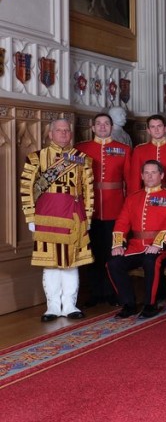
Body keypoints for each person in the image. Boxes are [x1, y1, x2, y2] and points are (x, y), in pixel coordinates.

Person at [20, 118, 95, 322]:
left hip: (73, 216)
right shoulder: (36, 158)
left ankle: (70, 304)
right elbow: (27, 189)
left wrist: (88, 216)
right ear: (50, 134)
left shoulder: (81, 159)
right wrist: (30, 215)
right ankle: (52, 306)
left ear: (71, 134)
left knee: (71, 263)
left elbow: (88, 190)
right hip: (46, 216)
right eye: (59, 130)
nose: (63, 134)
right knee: (51, 263)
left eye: (67, 130)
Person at [108, 160, 166, 319]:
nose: (149, 176)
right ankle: (128, 304)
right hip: (136, 246)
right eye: (146, 173)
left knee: (151, 261)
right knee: (113, 263)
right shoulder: (132, 198)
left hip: (161, 246)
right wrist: (118, 244)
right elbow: (122, 222)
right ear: (141, 176)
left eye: (153, 172)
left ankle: (150, 304)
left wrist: (157, 244)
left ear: (161, 175)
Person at [76, 112, 132, 306]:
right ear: (92, 128)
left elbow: (130, 183)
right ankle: (95, 292)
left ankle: (112, 292)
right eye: (98, 124)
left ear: (111, 127)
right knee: (93, 252)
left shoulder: (123, 149)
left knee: (112, 252)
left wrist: (128, 210)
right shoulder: (81, 149)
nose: (102, 127)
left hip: (115, 209)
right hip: (89, 210)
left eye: (106, 124)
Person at [130, 115, 166, 192]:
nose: (156, 130)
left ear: (165, 129)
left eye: (159, 126)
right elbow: (135, 178)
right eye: (152, 127)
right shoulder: (139, 150)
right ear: (148, 131)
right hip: (146, 193)